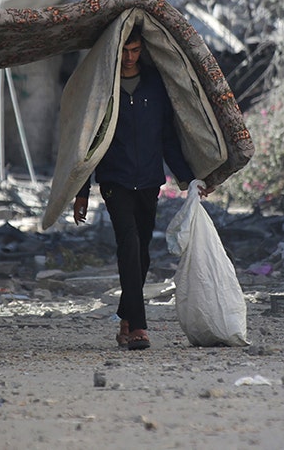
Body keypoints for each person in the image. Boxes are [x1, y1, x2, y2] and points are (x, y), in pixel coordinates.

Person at [73, 27, 209, 350]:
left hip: (149, 180)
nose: (129, 58)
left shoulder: (155, 85)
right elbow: (89, 140)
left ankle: (125, 316)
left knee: (143, 252)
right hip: (114, 180)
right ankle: (139, 327)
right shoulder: (104, 87)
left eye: (135, 51)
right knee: (129, 244)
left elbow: (167, 138)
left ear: (142, 51)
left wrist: (187, 179)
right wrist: (81, 191)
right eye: (124, 51)